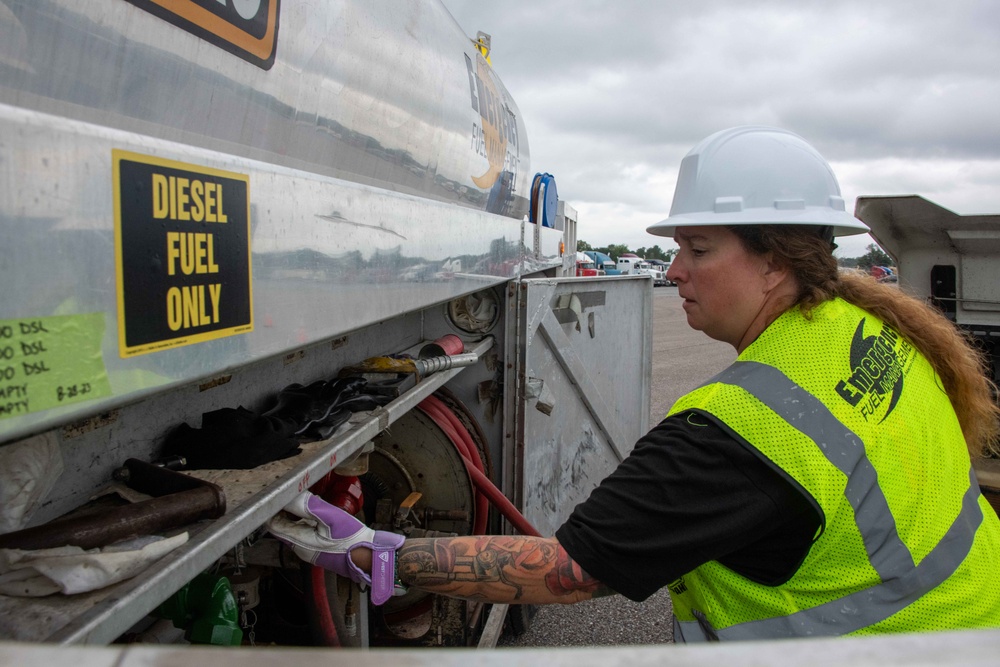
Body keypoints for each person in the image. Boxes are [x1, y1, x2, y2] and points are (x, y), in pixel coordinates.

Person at [268, 126, 1000, 641]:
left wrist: (379, 553)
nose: (673, 270)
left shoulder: (741, 433)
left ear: (775, 261)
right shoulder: (869, 330)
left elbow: (569, 571)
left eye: (698, 248)